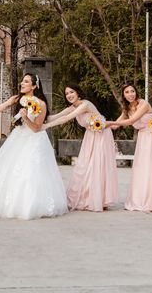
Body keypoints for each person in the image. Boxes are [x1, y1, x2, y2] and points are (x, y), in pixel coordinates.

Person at [0, 74, 68, 220]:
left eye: (26, 81)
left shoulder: (41, 104)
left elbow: (37, 128)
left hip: (34, 140)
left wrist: (25, 117)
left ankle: (30, 205)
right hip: (18, 136)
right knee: (9, 169)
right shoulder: (17, 98)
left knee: (31, 172)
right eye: (22, 81)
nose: (22, 83)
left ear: (34, 86)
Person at [42, 83, 118, 211]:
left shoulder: (85, 105)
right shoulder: (73, 107)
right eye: (66, 94)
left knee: (96, 166)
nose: (69, 95)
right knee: (85, 166)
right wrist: (36, 116)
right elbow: (55, 117)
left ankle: (98, 199)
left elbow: (66, 118)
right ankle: (89, 197)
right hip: (90, 135)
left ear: (77, 93)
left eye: (71, 92)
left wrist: (46, 127)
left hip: (101, 134)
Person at [108, 84, 152, 213]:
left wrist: (111, 123)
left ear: (136, 92)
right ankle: (142, 199)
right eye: (127, 92)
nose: (130, 94)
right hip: (143, 139)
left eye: (132, 91)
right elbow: (114, 126)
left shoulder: (143, 104)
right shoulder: (127, 109)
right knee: (143, 168)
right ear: (123, 95)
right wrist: (100, 124)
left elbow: (132, 121)